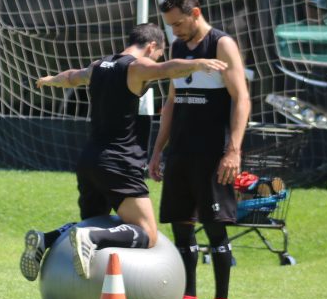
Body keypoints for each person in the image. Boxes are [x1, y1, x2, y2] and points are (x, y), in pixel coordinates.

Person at [22, 23, 228, 280]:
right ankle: (92, 238)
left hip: (89, 160)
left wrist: (50, 80)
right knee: (147, 233)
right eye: (158, 53)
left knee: (96, 221)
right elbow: (165, 69)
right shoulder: (134, 66)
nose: (157, 59)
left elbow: (72, 76)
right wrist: (197, 64)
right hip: (118, 162)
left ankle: (47, 239)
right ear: (151, 46)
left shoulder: (98, 66)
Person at [150, 0, 250, 299]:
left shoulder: (222, 44)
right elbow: (171, 103)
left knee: (215, 228)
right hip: (181, 152)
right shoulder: (178, 49)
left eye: (178, 23)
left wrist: (233, 149)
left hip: (213, 154)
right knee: (182, 227)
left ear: (196, 13)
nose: (174, 30)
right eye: (169, 25)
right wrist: (159, 149)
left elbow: (242, 99)